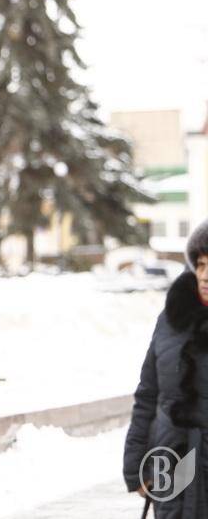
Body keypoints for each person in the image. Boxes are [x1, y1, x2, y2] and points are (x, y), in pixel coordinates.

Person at [124, 219, 208, 518]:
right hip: (172, 467)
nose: (205, 276)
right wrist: (136, 464)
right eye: (201, 265)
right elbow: (148, 394)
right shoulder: (172, 319)